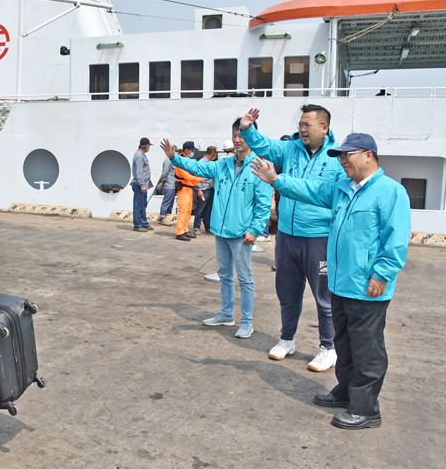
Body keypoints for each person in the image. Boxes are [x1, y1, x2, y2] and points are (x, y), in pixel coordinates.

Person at [250, 133, 410, 430]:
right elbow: (309, 190)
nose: (342, 160)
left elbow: (395, 240)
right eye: (340, 155)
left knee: (367, 349)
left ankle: (366, 409)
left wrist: (382, 274)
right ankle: (345, 391)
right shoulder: (342, 188)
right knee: (344, 344)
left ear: (368, 155)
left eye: (347, 155)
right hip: (340, 282)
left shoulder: (391, 192)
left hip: (367, 286)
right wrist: (276, 180)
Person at [239, 106, 346, 372]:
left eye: (309, 124)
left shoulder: (337, 158)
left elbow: (338, 195)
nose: (303, 129)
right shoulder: (291, 149)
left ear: (324, 128)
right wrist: (247, 129)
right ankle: (287, 339)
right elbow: (263, 145)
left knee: (324, 297)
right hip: (287, 235)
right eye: (300, 124)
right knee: (287, 293)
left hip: (318, 237)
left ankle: (328, 347)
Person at [161, 118, 272, 338]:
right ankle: (226, 314)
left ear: (252, 137)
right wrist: (174, 157)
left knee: (245, 278)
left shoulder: (259, 167)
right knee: (224, 275)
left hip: (241, 234)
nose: (237, 139)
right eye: (234, 134)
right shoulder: (223, 164)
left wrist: (256, 229)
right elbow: (198, 166)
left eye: (241, 135)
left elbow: (265, 204)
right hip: (221, 232)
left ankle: (247, 321)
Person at [174, 141, 205, 241]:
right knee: (183, 211)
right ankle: (179, 232)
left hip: (189, 189)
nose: (193, 153)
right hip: (183, 189)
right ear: (186, 150)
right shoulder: (181, 161)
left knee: (188, 211)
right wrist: (200, 179)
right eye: (191, 150)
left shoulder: (186, 161)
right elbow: (186, 176)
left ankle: (185, 229)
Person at [131, 137, 154, 232]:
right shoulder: (139, 156)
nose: (149, 148)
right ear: (146, 146)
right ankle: (137, 225)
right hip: (140, 185)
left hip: (143, 185)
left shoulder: (141, 155)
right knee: (138, 205)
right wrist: (142, 185)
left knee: (143, 205)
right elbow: (139, 172)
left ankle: (144, 223)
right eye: (149, 146)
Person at [193, 146, 217, 234]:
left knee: (208, 209)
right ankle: (196, 228)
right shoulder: (201, 163)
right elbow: (196, 176)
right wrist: (199, 189)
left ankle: (208, 227)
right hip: (203, 189)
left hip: (210, 188)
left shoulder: (211, 163)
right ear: (213, 153)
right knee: (200, 209)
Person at [157, 153, 177, 226]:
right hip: (169, 184)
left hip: (173, 184)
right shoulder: (168, 160)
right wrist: (163, 182)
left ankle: (167, 217)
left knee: (171, 202)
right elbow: (164, 173)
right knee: (167, 201)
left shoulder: (173, 160)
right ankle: (163, 217)